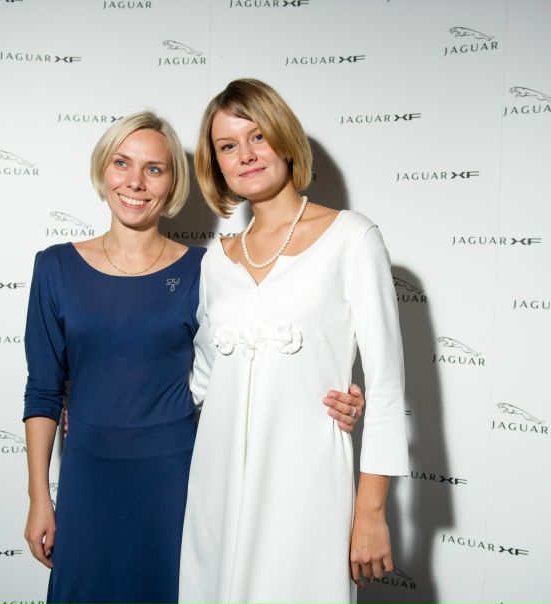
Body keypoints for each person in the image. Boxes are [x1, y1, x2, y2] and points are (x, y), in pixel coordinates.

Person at [22, 111, 366, 604]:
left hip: (177, 477)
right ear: (103, 170)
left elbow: (248, 355)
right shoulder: (55, 266)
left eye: (154, 169)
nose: (135, 182)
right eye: (122, 162)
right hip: (87, 477)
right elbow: (42, 390)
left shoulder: (207, 268)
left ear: (172, 185)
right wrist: (39, 496)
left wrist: (332, 397)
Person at [179, 79, 409, 604]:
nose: (245, 155)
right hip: (215, 485)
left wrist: (371, 511)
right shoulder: (216, 260)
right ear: (217, 164)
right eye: (227, 146)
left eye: (257, 136)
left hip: (305, 483)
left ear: (284, 139)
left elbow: (386, 384)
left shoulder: (353, 238)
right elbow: (200, 383)